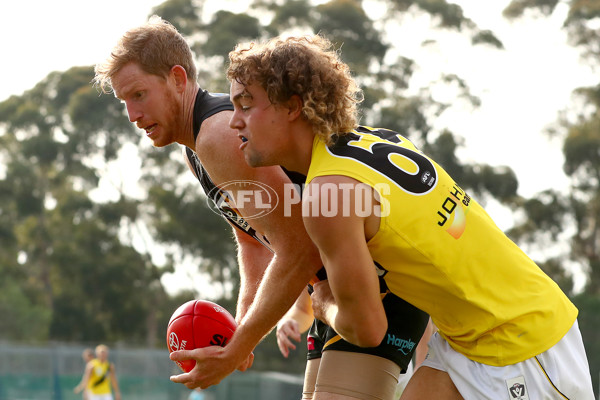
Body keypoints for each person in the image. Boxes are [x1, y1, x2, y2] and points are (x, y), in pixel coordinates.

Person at [226, 34, 596, 399]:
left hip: (520, 342)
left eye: (246, 105)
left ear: (292, 107)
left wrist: (321, 304)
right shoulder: (377, 140)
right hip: (473, 338)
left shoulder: (329, 192)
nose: (233, 122)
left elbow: (367, 329)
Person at [94, 16, 429, 399]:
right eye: (124, 102)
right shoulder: (196, 148)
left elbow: (299, 248)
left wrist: (238, 345)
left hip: (377, 286)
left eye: (139, 95)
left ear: (177, 78)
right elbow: (253, 242)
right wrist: (240, 332)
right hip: (330, 292)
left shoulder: (218, 137)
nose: (132, 115)